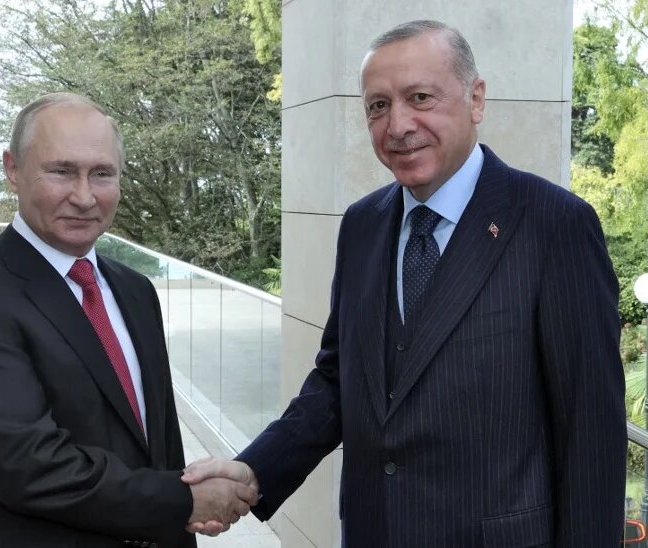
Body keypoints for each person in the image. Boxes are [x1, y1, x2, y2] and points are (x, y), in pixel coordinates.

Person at [182, 20, 626, 546]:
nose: (398, 125)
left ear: (475, 99)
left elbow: (591, 434)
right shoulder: (362, 224)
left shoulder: (556, 224)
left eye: (420, 97)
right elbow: (338, 379)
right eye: (377, 106)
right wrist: (255, 471)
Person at [0, 92, 256, 548]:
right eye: (61, 171)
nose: (83, 196)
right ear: (13, 169)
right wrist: (183, 502)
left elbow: (157, 449)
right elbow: (28, 466)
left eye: (102, 174)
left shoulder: (135, 290)